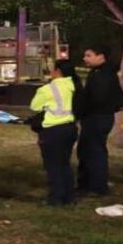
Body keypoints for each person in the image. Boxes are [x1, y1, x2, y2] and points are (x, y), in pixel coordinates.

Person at [76, 46, 123, 196]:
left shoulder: (103, 74)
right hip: (96, 117)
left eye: (89, 55)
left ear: (101, 56)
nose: (85, 58)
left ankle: (97, 187)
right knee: (87, 150)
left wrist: (82, 110)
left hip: (97, 117)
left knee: (95, 152)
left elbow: (98, 98)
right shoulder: (100, 72)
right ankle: (87, 183)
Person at [31, 59, 83, 206]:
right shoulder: (74, 85)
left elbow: (34, 106)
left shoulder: (48, 89)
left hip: (52, 130)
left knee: (53, 166)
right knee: (64, 164)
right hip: (70, 129)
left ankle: (56, 198)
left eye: (52, 69)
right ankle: (69, 197)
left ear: (58, 71)